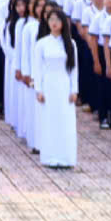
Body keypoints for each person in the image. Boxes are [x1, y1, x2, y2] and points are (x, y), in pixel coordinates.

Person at [32, 11, 80, 170]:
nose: (54, 23)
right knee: (49, 120)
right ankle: (50, 156)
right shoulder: (42, 43)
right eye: (51, 19)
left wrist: (74, 89)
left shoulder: (70, 43)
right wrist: (38, 89)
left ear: (63, 23)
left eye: (58, 20)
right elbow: (37, 69)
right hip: (49, 84)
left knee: (65, 121)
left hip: (64, 84)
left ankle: (66, 157)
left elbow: (74, 68)